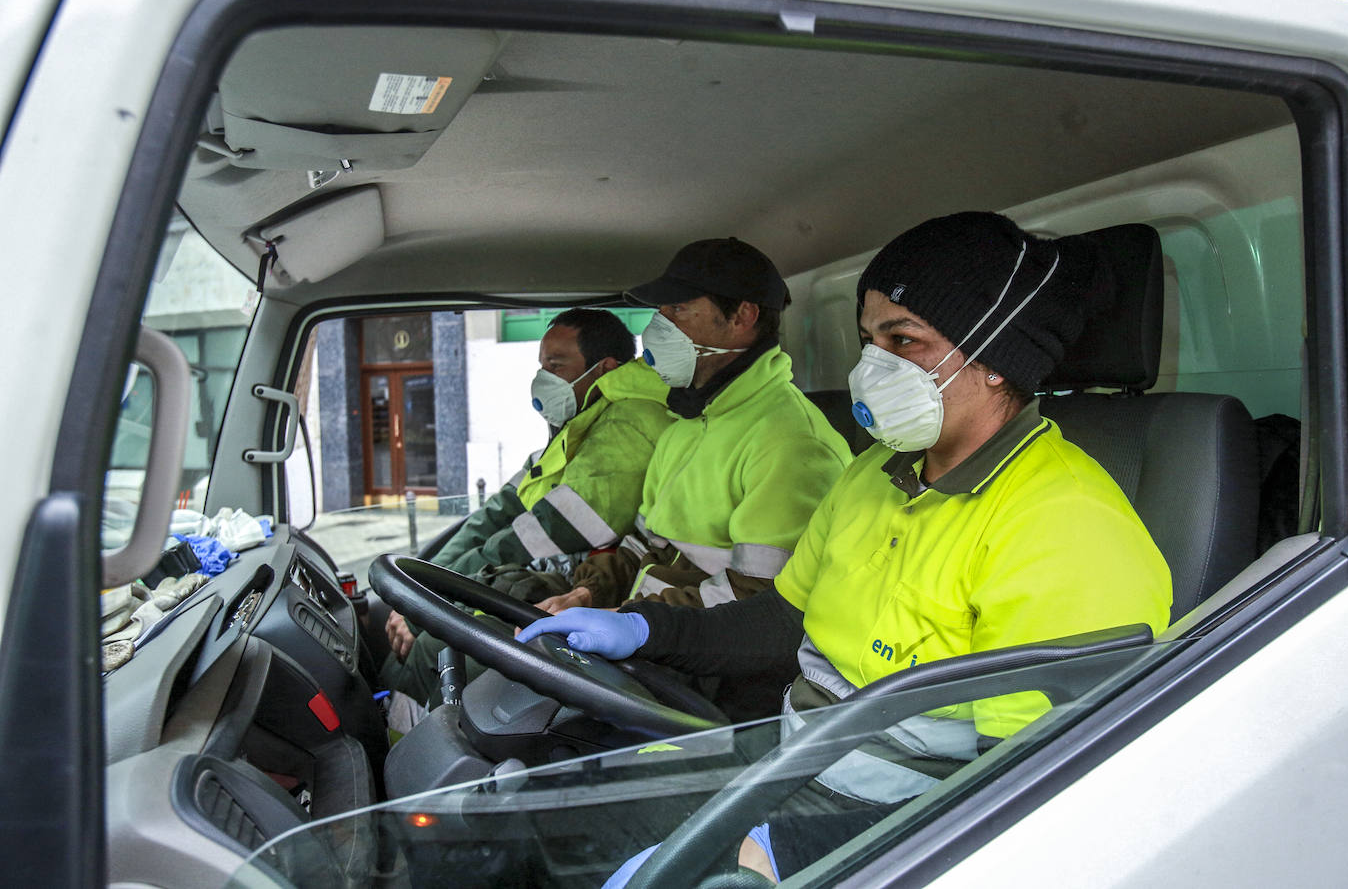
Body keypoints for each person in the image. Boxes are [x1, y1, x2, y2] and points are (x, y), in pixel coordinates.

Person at [517, 212, 1173, 884]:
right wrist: (641, 627)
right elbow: (782, 622)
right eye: (869, 340)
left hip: (896, 830)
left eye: (904, 339)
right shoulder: (877, 473)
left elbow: (1028, 791)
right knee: (540, 824)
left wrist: (785, 853)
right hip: (791, 769)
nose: (875, 365)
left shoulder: (1065, 524)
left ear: (996, 357)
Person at [541, 237, 852, 620]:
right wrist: (587, 594)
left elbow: (760, 600)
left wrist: (625, 621)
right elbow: (643, 546)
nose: (660, 326)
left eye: (679, 309)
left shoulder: (791, 443)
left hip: (704, 663)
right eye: (662, 310)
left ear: (743, 317)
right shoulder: (684, 424)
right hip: (653, 640)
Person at [379, 307, 674, 702]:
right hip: (552, 585)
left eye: (556, 364)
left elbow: (543, 533)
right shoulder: (575, 429)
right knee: (428, 642)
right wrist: (425, 583)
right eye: (541, 365)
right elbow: (494, 515)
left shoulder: (631, 423)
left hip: (589, 595)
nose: (542, 378)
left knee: (434, 651)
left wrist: (431, 600)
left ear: (604, 369)